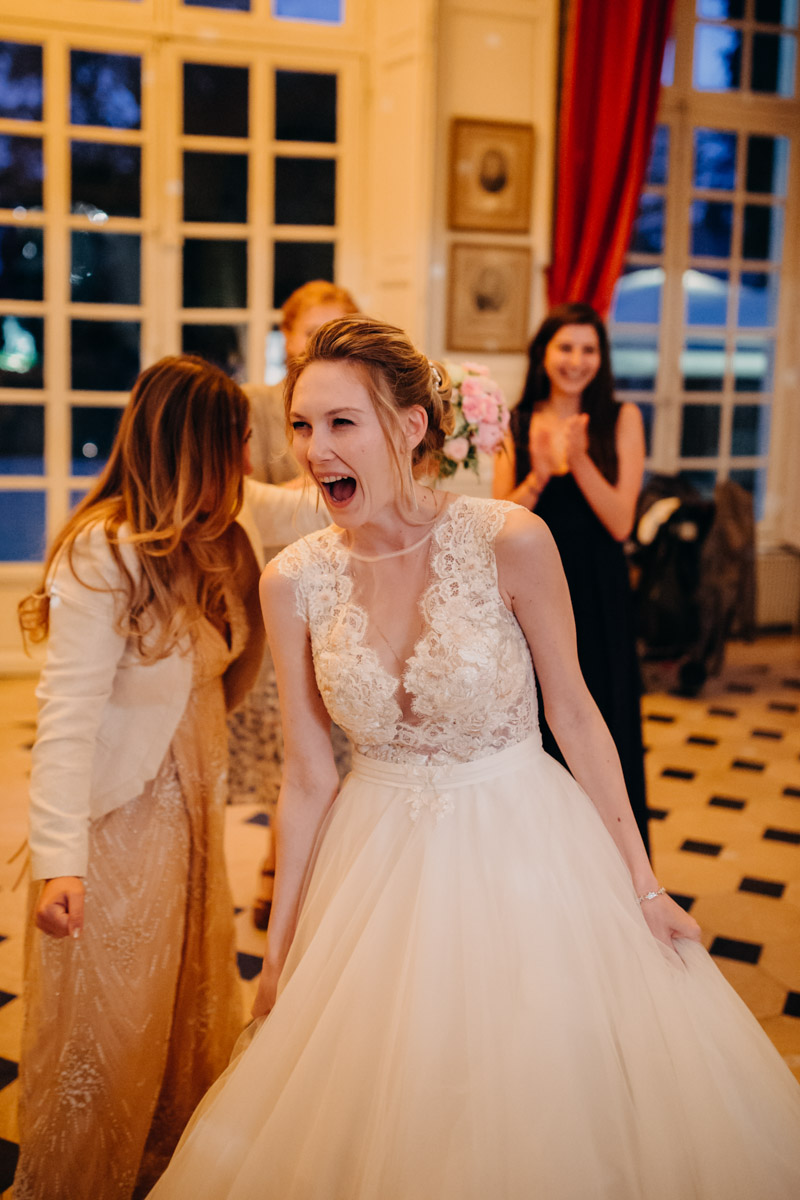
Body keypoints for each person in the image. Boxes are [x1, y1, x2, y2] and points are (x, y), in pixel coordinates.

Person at [149, 316, 800, 1200]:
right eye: (301, 425)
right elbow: (306, 778)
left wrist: (644, 885)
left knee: (533, 1086)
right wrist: (281, 955)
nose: (313, 450)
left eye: (341, 423)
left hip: (523, 842)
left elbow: (576, 714)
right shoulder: (293, 578)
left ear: (410, 426)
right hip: (372, 862)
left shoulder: (509, 538)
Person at [15, 356, 265, 1200]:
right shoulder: (105, 548)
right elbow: (66, 714)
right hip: (124, 817)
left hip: (195, 808)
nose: (248, 462)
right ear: (199, 448)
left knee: (179, 1012)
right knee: (114, 1023)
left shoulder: (221, 539)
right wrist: (60, 859)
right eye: (236, 443)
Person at [493, 302, 650, 852]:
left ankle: (617, 862)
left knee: (604, 718)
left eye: (588, 349)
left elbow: (621, 521)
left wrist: (579, 460)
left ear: (601, 358)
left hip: (599, 594)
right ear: (544, 353)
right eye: (565, 347)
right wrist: (539, 474)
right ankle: (541, 861)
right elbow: (498, 522)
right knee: (535, 722)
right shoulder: (515, 421)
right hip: (532, 594)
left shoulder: (621, 418)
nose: (576, 360)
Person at [230, 279, 358, 929]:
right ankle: (277, 867)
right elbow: (242, 495)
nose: (320, 343)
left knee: (333, 742)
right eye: (310, 332)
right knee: (285, 745)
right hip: (273, 591)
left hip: (344, 590)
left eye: (335, 330)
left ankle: (302, 873)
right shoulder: (257, 405)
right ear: (286, 336)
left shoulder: (362, 406)